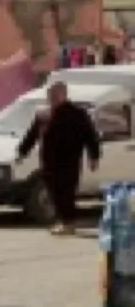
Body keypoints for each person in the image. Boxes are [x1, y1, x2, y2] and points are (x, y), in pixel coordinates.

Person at [17, 81, 100, 235]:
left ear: (64, 94)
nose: (52, 98)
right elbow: (32, 135)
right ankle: (62, 220)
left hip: (69, 160)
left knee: (67, 191)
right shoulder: (44, 114)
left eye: (55, 95)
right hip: (49, 160)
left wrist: (93, 156)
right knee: (53, 191)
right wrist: (22, 152)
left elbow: (90, 136)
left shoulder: (77, 114)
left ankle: (69, 222)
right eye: (50, 95)